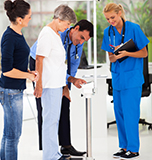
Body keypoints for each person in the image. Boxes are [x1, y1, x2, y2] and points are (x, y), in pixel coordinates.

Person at [30, 19, 93, 156]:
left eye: (85, 41)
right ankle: (48, 149)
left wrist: (69, 84)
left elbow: (73, 66)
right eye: (81, 37)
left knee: (64, 103)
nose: (81, 42)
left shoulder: (78, 44)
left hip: (61, 71)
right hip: (39, 63)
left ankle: (65, 146)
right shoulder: (58, 34)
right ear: (75, 28)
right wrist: (64, 83)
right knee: (46, 108)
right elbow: (51, 63)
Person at [101, 2, 149, 160]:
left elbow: (143, 53)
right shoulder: (108, 31)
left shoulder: (133, 28)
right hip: (118, 77)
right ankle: (124, 147)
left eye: (112, 17)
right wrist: (115, 55)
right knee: (119, 113)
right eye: (108, 19)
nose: (110, 21)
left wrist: (126, 52)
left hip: (132, 78)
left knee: (130, 113)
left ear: (120, 12)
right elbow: (110, 57)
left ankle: (133, 149)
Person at [0, 0, 38, 160]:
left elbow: (15, 63)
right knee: (13, 136)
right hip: (10, 91)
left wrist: (28, 71)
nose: (30, 19)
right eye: (29, 16)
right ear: (19, 19)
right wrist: (28, 76)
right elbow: (7, 70)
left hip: (13, 89)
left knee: (8, 135)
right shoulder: (9, 37)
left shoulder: (17, 34)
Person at [33, 5, 77, 160]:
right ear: (59, 19)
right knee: (50, 121)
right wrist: (38, 84)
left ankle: (54, 154)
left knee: (53, 121)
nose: (67, 27)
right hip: (49, 85)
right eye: (67, 24)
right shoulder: (46, 33)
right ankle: (50, 157)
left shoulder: (55, 34)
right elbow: (39, 58)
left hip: (56, 85)